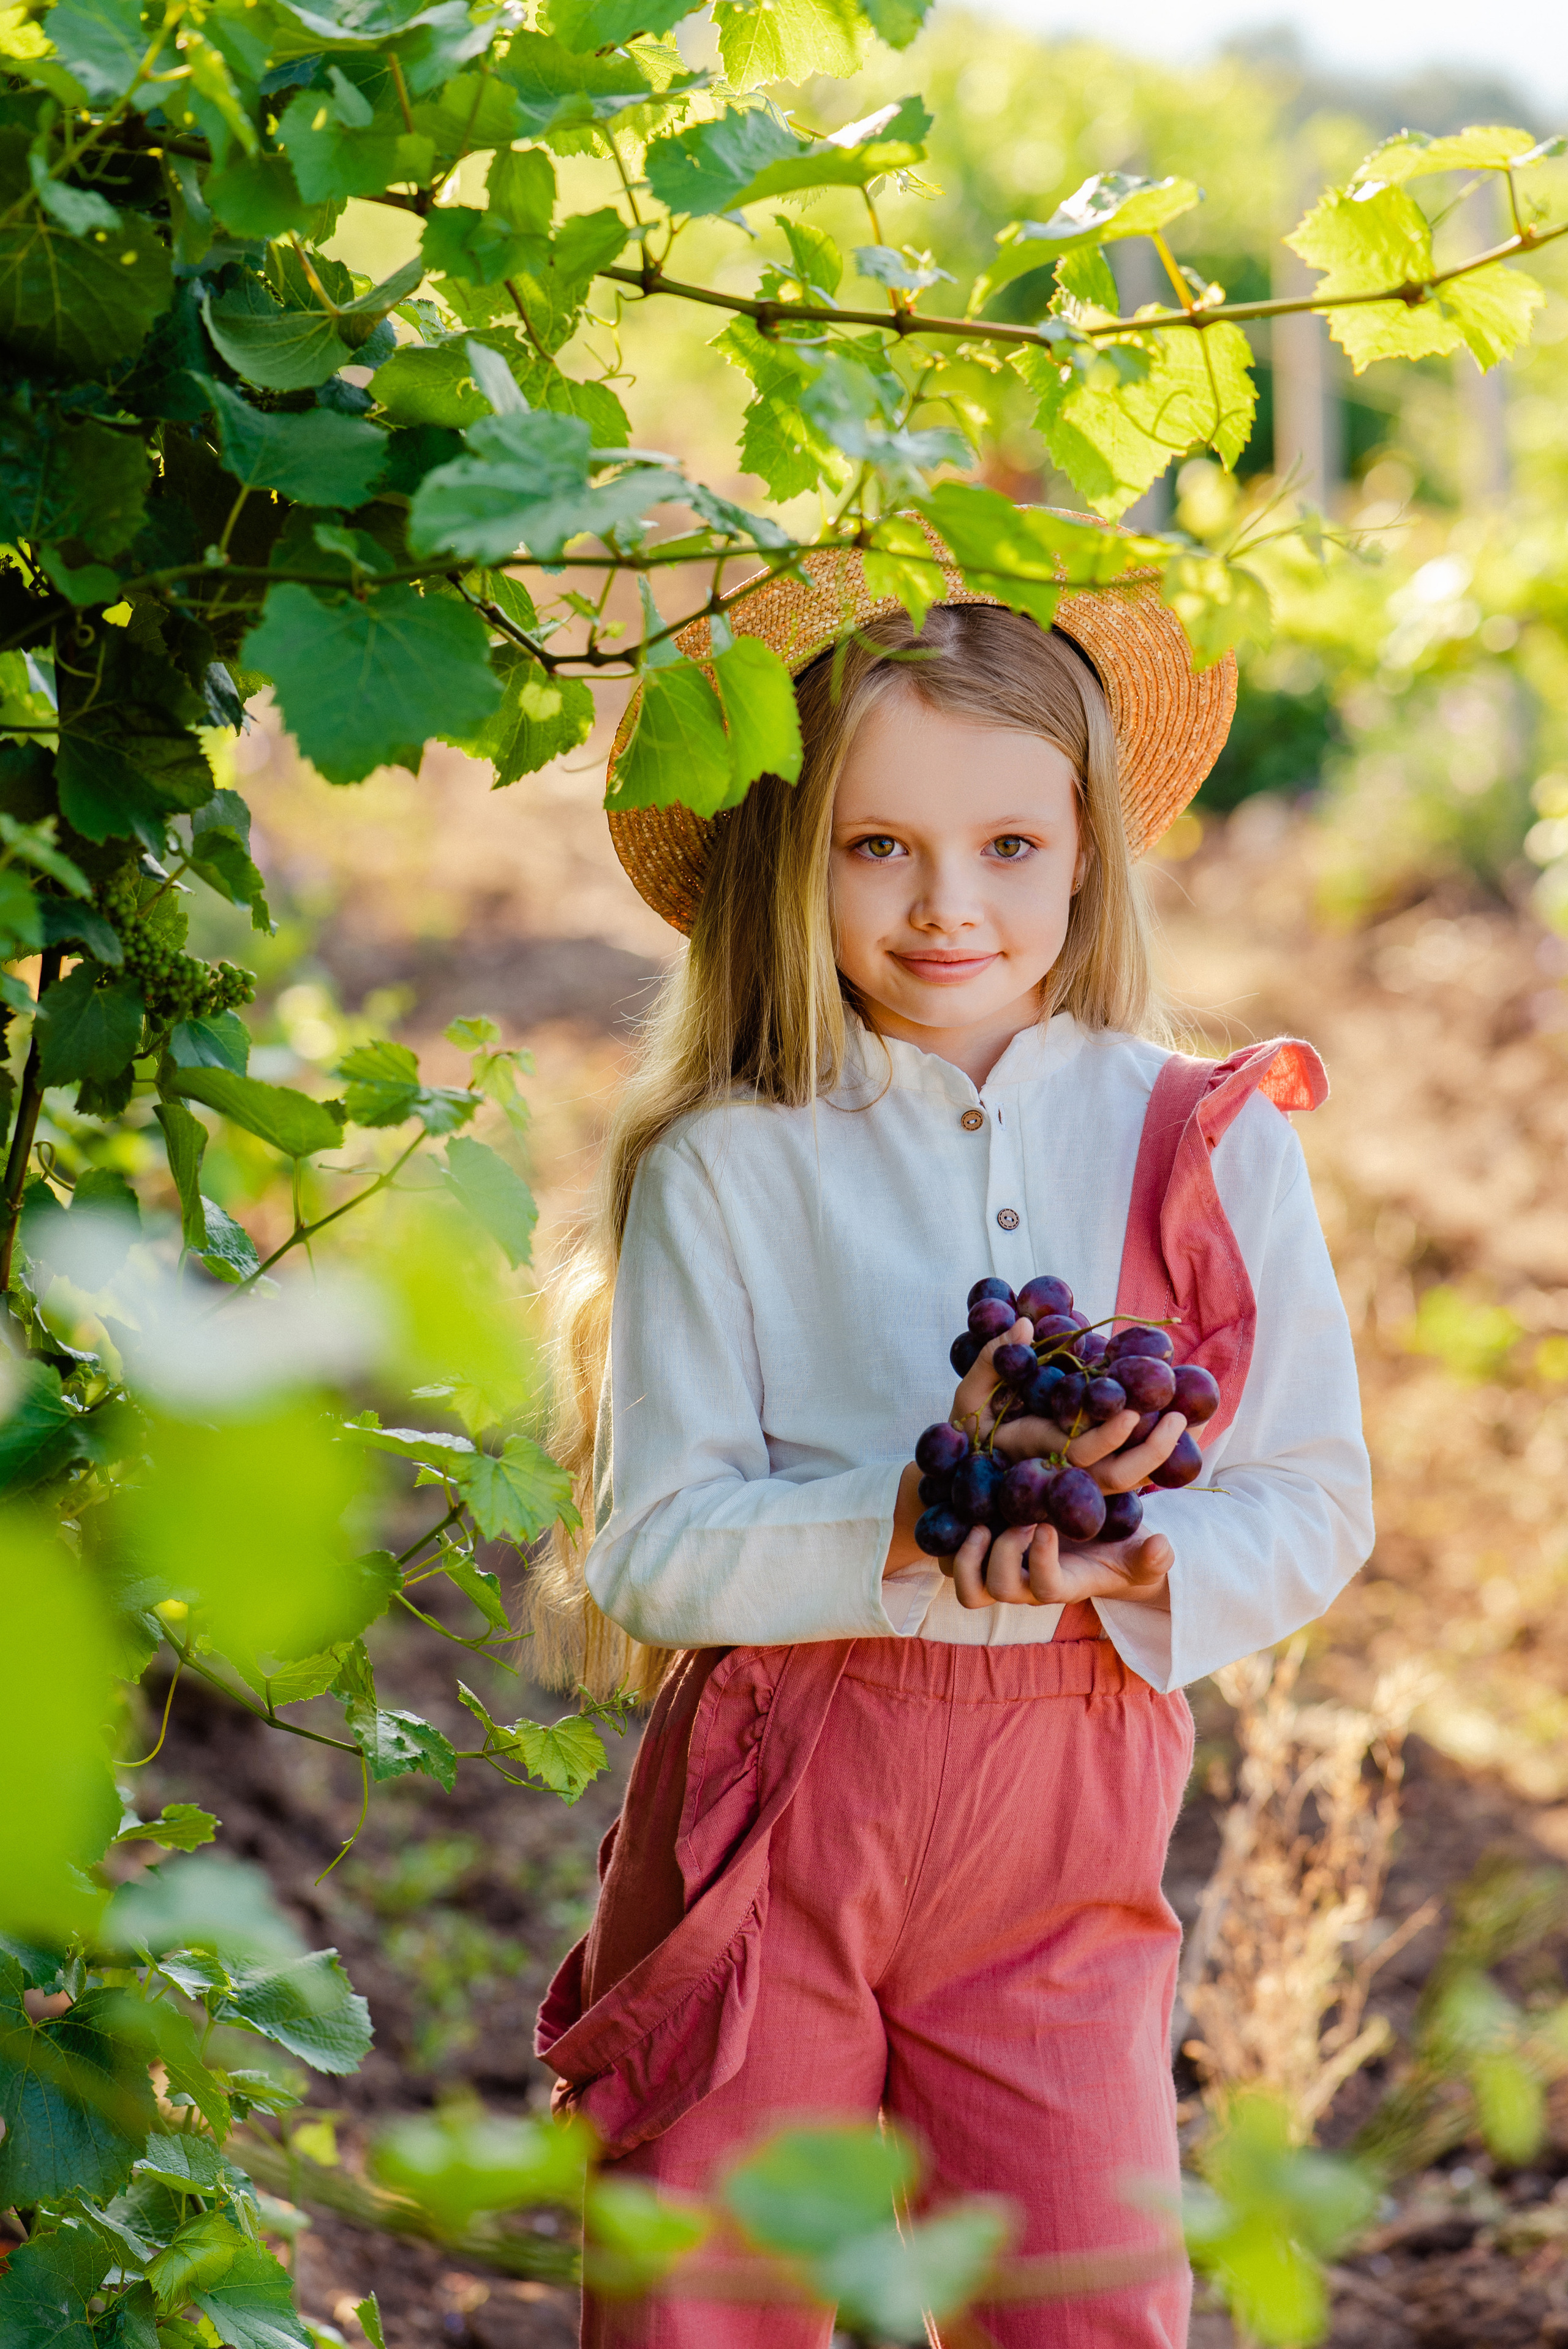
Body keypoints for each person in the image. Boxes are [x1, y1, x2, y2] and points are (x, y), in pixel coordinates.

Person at [530, 528, 1374, 2349]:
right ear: (791, 852)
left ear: (1087, 850)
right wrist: (904, 1517)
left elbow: (1314, 1495)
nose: (948, 905)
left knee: (1077, 2299)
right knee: (710, 2300)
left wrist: (1140, 1552)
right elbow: (655, 1548)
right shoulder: (730, 1160)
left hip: (1067, 1813)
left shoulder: (1206, 1140)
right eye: (878, 846)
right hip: (777, 1811)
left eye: (1009, 846)